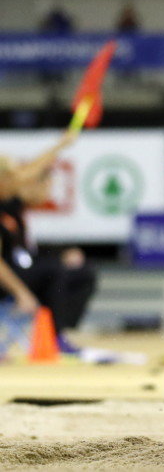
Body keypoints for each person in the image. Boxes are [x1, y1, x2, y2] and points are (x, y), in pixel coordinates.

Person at [0, 131, 98, 353]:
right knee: (54, 272)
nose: (19, 181)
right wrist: (20, 293)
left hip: (20, 270)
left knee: (82, 272)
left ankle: (61, 332)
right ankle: (56, 336)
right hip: (6, 282)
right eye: (12, 177)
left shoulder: (10, 204)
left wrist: (60, 145)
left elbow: (29, 172)